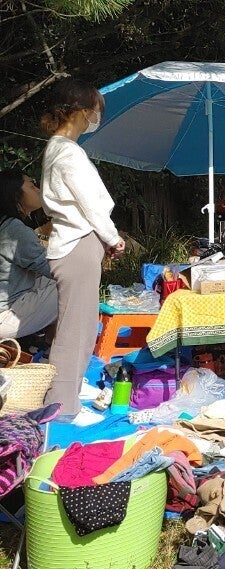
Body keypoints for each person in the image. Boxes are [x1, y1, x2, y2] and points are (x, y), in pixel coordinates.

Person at [41, 80, 126, 425]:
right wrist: (113, 238)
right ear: (79, 110)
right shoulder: (67, 152)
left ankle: (69, 394)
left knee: (80, 324)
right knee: (76, 329)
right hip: (78, 241)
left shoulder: (60, 148)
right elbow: (90, 205)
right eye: (95, 110)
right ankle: (62, 406)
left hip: (75, 242)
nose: (96, 117)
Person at [0, 170, 58, 342]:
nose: (38, 190)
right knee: (72, 287)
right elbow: (54, 270)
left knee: (51, 282)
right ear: (15, 193)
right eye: (32, 185)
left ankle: (42, 340)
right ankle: (54, 345)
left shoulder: (5, 224)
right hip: (4, 317)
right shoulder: (15, 230)